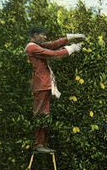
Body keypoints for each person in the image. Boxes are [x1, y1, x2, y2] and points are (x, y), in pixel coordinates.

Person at [25, 25, 85, 153]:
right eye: (42, 34)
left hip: (44, 85)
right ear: (35, 35)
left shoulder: (36, 45)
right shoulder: (32, 47)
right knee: (41, 114)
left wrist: (70, 38)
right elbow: (51, 53)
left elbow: (52, 45)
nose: (45, 37)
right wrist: (70, 49)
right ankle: (39, 144)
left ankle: (43, 143)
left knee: (45, 114)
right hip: (41, 85)